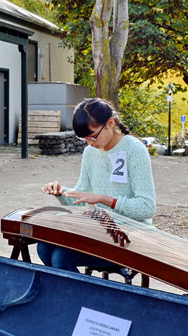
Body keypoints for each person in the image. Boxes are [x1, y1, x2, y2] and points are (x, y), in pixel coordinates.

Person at [38, 97, 156, 272]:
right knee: (44, 248)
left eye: (92, 136)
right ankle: (75, 296)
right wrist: (61, 192)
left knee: (61, 257)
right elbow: (82, 194)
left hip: (129, 235)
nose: (89, 143)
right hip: (101, 228)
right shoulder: (90, 153)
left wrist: (104, 199)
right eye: (83, 138)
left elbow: (147, 207)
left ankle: (84, 298)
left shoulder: (134, 150)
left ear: (110, 123)